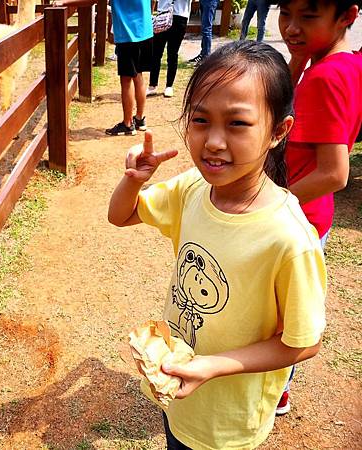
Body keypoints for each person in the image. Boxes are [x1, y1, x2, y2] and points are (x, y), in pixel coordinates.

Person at [108, 41, 326, 449]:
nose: (213, 141)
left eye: (237, 124)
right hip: (178, 390)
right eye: (201, 120)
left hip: (229, 417)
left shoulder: (289, 238)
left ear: (279, 131)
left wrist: (210, 367)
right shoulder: (193, 189)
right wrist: (134, 180)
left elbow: (303, 341)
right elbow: (121, 215)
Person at [273, 0, 362, 416]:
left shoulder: (326, 76)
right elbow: (285, 107)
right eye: (285, 13)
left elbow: (334, 173)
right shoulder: (329, 62)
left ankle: (274, 393)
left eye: (308, 17)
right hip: (309, 213)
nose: (291, 27)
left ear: (347, 16)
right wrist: (295, 59)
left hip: (300, 217)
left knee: (278, 315)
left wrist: (268, 203)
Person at [57, 0, 153, 135]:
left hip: (128, 34)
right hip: (145, 31)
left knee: (126, 81)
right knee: (138, 75)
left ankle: (127, 124)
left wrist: (65, 2)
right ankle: (139, 118)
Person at [147, 0, 192, 98]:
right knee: (156, 52)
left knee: (172, 53)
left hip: (180, 16)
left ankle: (169, 86)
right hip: (162, 14)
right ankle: (152, 85)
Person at [186, 0, 219, 66]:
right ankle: (203, 54)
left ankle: (206, 57)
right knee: (205, 28)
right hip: (204, 1)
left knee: (207, 29)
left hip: (210, 2)